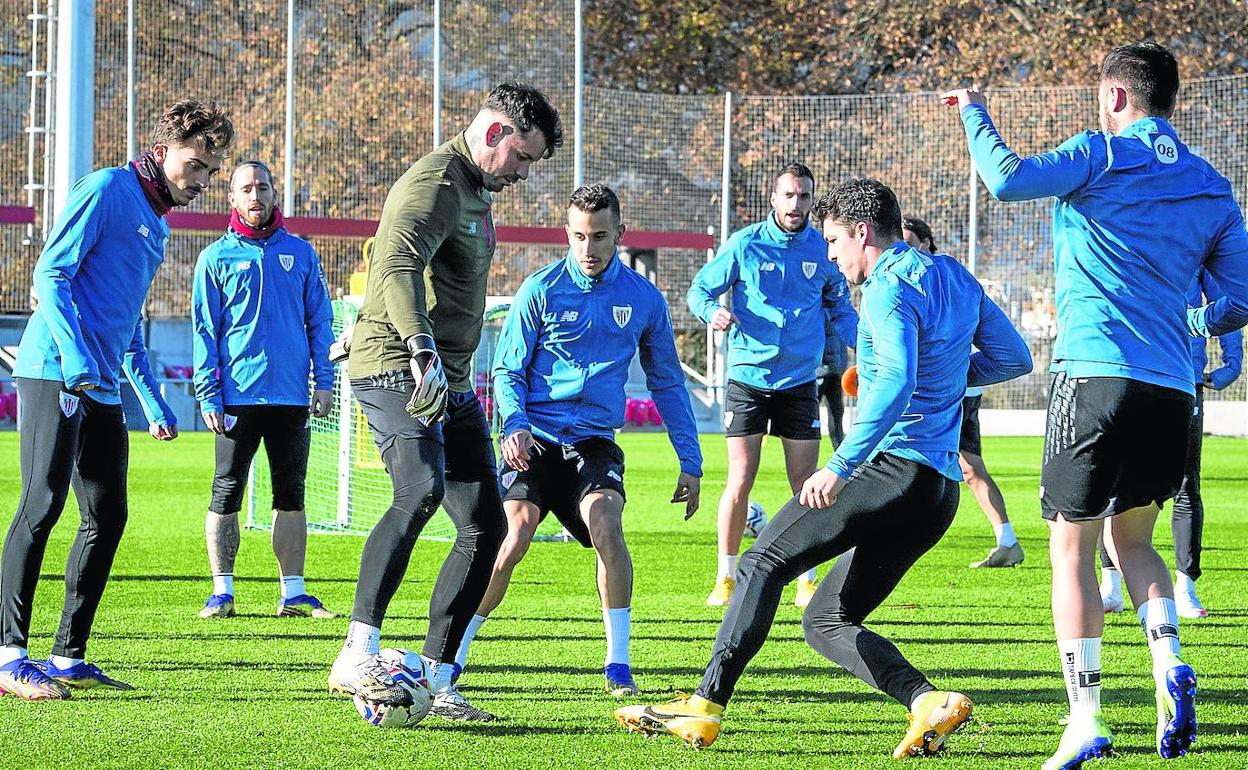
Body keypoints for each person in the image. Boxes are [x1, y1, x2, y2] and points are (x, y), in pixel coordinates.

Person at [617, 179, 1032, 756]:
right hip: (937, 493)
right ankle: (925, 701)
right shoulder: (956, 276)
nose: (831, 253)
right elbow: (1015, 357)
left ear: (863, 233)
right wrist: (949, 380)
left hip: (893, 469)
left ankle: (703, 708)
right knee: (825, 618)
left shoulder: (887, 287)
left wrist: (839, 465)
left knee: (761, 560)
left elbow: (895, 383)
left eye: (835, 239)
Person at [943, 41, 1248, 767]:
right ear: (1171, 101)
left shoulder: (1102, 154)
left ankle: (1084, 717)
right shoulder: (1212, 187)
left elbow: (1007, 179)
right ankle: (1167, 664)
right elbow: (1237, 302)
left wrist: (975, 112)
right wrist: (1190, 325)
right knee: (1134, 543)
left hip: (1095, 379)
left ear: (1115, 98)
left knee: (1072, 550)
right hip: (1171, 391)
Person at [327, 82, 562, 722]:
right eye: (522, 157)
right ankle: (357, 651)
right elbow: (396, 263)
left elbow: (385, 252)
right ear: (493, 134)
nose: (523, 173)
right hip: (399, 367)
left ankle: (434, 678)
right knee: (420, 490)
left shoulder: (474, 192)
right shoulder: (433, 184)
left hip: (450, 382)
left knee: (486, 523)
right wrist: (418, 344)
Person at [0, 99, 233, 699]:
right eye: (196, 164)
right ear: (164, 149)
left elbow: (127, 320)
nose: (202, 181)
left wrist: (151, 399)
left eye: (210, 171)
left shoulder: (156, 222)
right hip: (55, 370)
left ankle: (67, 655)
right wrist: (75, 359)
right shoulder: (107, 188)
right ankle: (7, 656)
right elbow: (49, 274)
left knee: (108, 515)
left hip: (100, 383)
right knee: (42, 504)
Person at [452, 184, 702, 697]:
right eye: (579, 237)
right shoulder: (540, 290)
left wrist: (690, 460)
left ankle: (618, 661)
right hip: (536, 437)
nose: (589, 249)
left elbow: (668, 383)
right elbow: (507, 369)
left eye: (600, 237)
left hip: (593, 443)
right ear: (568, 234)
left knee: (607, 527)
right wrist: (514, 423)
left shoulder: (643, 299)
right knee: (514, 536)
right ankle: (456, 652)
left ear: (620, 235)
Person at [688, 162, 858, 609]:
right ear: (774, 199)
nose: (796, 204)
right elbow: (699, 291)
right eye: (789, 195)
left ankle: (806, 578)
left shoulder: (824, 251)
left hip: (800, 382)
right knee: (740, 479)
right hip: (748, 379)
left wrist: (871, 349)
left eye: (804, 197)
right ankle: (726, 576)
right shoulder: (746, 244)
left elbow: (841, 310)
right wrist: (713, 313)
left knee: (807, 483)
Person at [191, 160, 337, 621]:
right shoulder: (215, 258)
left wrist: (325, 381)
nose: (256, 195)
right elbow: (204, 330)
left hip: (292, 396)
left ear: (275, 194)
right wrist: (208, 393)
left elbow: (320, 322)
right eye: (246, 189)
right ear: (231, 198)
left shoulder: (302, 254)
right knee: (226, 491)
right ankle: (222, 592)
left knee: (291, 493)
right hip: (236, 397)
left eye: (263, 187)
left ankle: (293, 593)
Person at [1099, 269, 1242, 618]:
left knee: (1185, 483)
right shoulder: (1122, 232)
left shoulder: (1196, 239)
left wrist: (1229, 366)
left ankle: (1185, 585)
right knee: (1111, 482)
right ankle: (1111, 584)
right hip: (1124, 373)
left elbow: (1232, 298)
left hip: (1182, 378)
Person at [902, 216, 1023, 569]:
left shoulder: (943, 279)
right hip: (953, 386)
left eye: (910, 241)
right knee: (969, 468)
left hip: (955, 389)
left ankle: (888, 536)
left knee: (935, 462)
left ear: (926, 243)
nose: (903, 248)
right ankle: (1008, 541)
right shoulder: (915, 278)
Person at [816, 304, 850, 449]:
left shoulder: (840, 312)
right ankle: (808, 458)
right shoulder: (817, 310)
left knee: (837, 413)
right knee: (811, 417)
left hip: (836, 372)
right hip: (818, 372)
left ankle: (839, 455)